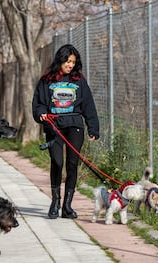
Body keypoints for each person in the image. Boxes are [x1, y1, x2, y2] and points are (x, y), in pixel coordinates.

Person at [32, 44, 100, 219]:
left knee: (71, 164)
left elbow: (88, 105)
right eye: (67, 61)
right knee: (57, 162)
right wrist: (40, 114)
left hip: (74, 125)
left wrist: (93, 128)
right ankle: (55, 201)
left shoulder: (79, 80)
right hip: (54, 125)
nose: (70, 65)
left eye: (72, 62)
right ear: (60, 60)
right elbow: (38, 103)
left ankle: (67, 206)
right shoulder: (47, 80)